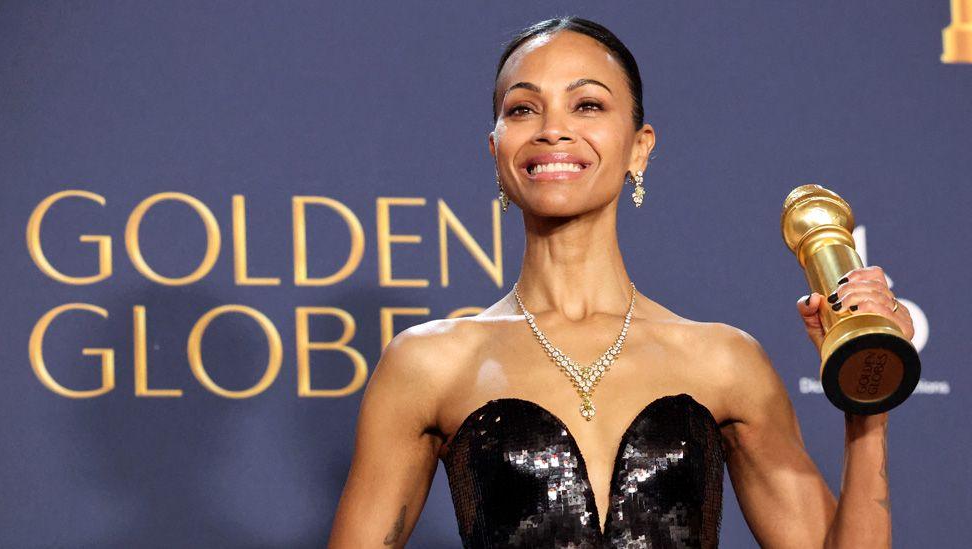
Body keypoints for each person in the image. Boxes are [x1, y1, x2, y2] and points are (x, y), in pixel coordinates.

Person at [328, 16, 914, 548]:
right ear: (496, 150)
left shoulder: (725, 361)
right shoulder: (428, 365)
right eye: (522, 109)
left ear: (639, 148)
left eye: (586, 105)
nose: (552, 130)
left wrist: (868, 395)